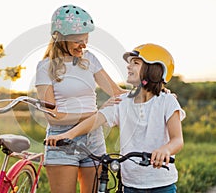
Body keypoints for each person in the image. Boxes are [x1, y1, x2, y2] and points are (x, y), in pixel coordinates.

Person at [45, 43, 185, 192]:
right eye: (129, 63)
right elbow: (96, 120)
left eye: (135, 63)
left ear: (155, 70)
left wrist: (166, 150)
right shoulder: (123, 101)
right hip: (130, 184)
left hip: (161, 184)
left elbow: (177, 140)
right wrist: (68, 134)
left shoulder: (167, 101)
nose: (128, 66)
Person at [35, 4, 126, 193]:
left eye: (86, 39)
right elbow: (52, 117)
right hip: (61, 140)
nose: (83, 45)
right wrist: (95, 115)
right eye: (78, 41)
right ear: (59, 39)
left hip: (94, 138)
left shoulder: (89, 59)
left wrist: (155, 92)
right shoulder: (45, 67)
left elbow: (118, 93)